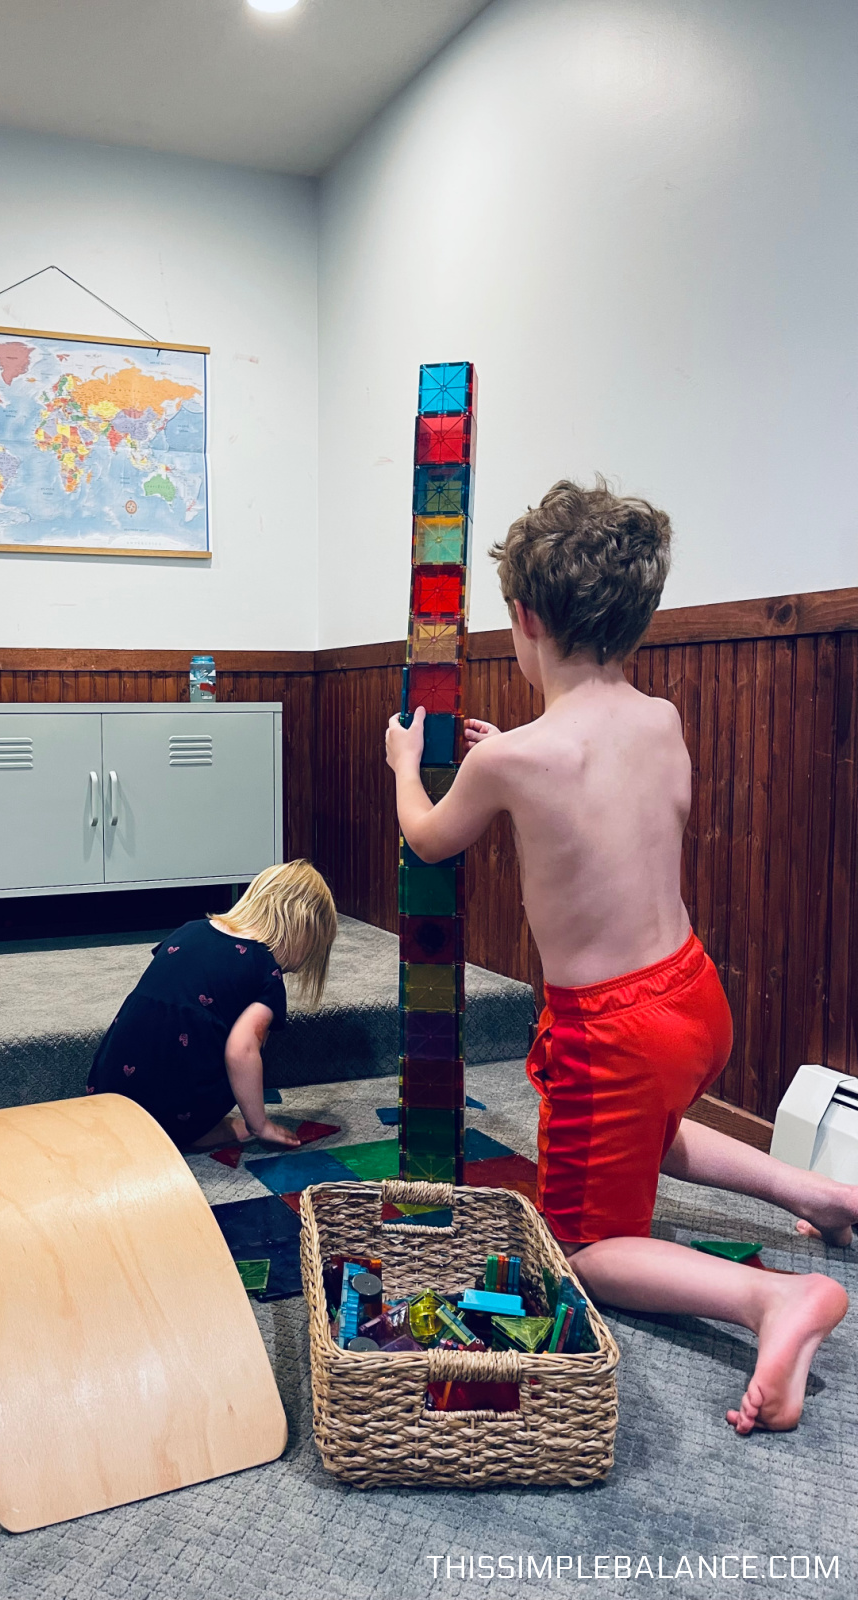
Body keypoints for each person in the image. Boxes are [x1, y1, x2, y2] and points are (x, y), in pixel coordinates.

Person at [386, 477, 853, 1435]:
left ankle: (771, 1302)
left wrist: (405, 765)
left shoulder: (508, 760)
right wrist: (508, 750)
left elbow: (431, 837)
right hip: (693, 993)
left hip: (613, 1027)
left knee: (586, 1243)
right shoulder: (662, 721)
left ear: (523, 617)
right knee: (650, 1124)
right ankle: (821, 1193)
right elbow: (597, 779)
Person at [87, 860, 337, 1151]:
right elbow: (240, 1051)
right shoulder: (264, 972)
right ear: (302, 930)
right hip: (168, 1110)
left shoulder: (190, 930)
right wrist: (260, 1125)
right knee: (251, 1041)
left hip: (108, 1087)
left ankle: (175, 1123)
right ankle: (189, 1131)